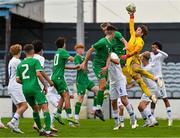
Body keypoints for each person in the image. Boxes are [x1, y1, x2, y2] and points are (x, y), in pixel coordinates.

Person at [120, 10, 163, 103]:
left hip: (133, 59)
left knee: (137, 69)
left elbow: (135, 51)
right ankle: (151, 96)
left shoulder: (140, 41)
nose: (136, 30)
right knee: (140, 82)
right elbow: (131, 25)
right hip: (128, 63)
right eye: (137, 29)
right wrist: (132, 16)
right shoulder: (133, 35)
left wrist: (126, 55)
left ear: (142, 33)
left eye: (139, 30)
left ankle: (155, 79)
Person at [16, 44, 55, 137]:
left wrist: (26, 83)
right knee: (45, 106)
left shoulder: (20, 64)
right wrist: (45, 85)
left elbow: (17, 79)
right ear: (33, 51)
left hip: (25, 89)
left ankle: (41, 130)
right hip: (35, 88)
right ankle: (48, 131)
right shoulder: (35, 61)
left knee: (35, 109)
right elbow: (38, 74)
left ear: (25, 52)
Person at [81, 25, 115, 121]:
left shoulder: (110, 44)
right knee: (103, 86)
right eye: (114, 33)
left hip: (104, 67)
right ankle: (97, 109)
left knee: (103, 88)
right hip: (97, 66)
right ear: (112, 33)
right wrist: (85, 63)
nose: (115, 35)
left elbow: (109, 56)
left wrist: (107, 66)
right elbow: (90, 51)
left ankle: (97, 109)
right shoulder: (102, 42)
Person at [51, 37, 79, 126]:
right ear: (63, 44)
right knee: (67, 95)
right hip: (59, 77)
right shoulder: (62, 51)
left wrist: (74, 68)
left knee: (63, 96)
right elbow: (72, 59)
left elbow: (60, 66)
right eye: (65, 43)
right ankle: (70, 116)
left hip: (54, 77)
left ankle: (58, 114)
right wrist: (80, 59)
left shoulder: (57, 53)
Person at [109, 52, 137, 129]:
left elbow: (117, 61)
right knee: (113, 102)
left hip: (120, 80)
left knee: (123, 99)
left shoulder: (112, 54)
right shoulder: (102, 57)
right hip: (112, 82)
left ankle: (133, 120)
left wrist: (109, 58)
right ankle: (117, 123)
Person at [73, 43, 99, 125]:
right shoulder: (76, 57)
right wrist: (82, 65)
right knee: (80, 100)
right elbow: (78, 66)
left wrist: (86, 70)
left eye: (82, 48)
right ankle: (76, 118)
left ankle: (94, 109)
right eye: (79, 48)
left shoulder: (84, 57)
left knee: (97, 90)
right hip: (80, 81)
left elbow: (84, 67)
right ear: (76, 50)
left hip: (86, 80)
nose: (81, 50)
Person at [150, 41, 173, 126]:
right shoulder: (151, 54)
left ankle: (170, 119)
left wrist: (158, 50)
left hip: (159, 79)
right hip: (152, 79)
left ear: (158, 48)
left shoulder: (160, 55)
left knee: (165, 98)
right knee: (153, 99)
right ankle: (152, 119)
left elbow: (166, 55)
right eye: (152, 47)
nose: (153, 49)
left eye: (155, 47)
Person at [7, 44, 28, 133]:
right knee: (24, 106)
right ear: (19, 51)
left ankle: (15, 128)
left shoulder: (11, 61)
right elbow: (23, 73)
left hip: (11, 85)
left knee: (19, 107)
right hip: (16, 86)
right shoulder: (17, 61)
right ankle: (12, 122)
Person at [138, 52, 158, 127]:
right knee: (140, 107)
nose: (140, 58)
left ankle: (153, 120)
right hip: (148, 89)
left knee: (142, 106)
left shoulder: (148, 68)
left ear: (144, 58)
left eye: (142, 57)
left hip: (151, 89)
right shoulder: (145, 66)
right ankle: (147, 122)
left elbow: (139, 72)